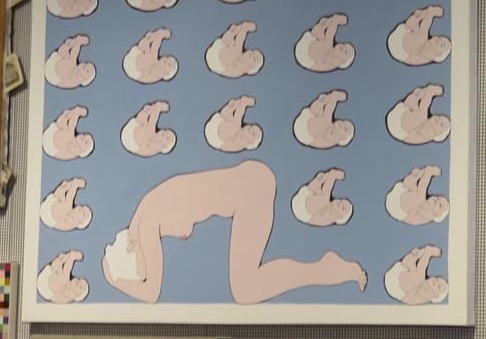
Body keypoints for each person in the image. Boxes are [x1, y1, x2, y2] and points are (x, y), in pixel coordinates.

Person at [102, 160, 367, 304]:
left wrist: (115, 282)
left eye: (142, 267)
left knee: (244, 290)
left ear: (130, 249)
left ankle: (327, 269)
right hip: (251, 184)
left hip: (250, 190)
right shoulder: (147, 211)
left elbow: (151, 294)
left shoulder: (145, 225)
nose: (149, 266)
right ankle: (325, 268)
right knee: (246, 286)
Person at [386, 84, 450, 145]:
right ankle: (417, 96)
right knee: (418, 113)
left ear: (439, 134)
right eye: (440, 117)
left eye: (441, 124)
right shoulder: (430, 127)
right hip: (400, 121)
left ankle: (429, 92)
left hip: (399, 128)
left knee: (422, 116)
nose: (438, 119)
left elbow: (422, 110)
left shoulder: (431, 134)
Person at [384, 245, 448, 305]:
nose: (436, 281)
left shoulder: (429, 295)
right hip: (398, 276)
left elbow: (420, 290)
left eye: (439, 286)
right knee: (413, 270)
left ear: (436, 295)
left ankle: (427, 253)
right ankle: (416, 255)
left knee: (419, 276)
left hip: (397, 288)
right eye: (437, 279)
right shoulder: (424, 285)